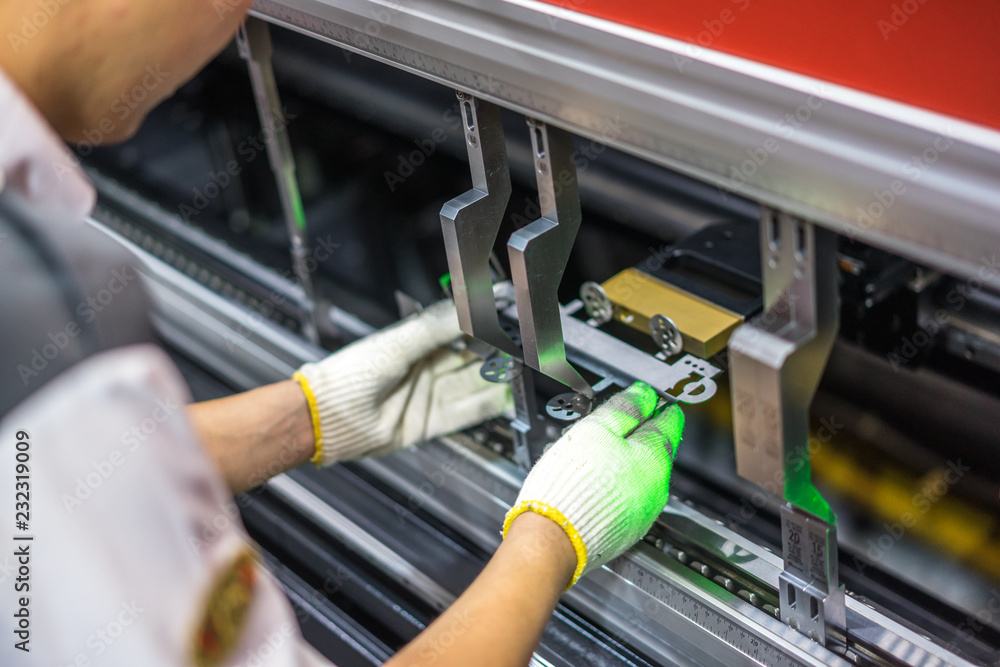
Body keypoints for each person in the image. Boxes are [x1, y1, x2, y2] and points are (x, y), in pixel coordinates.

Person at [0, 2, 684, 666]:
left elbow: (27, 494)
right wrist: (550, 539)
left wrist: (307, 414)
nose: (236, 19)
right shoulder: (47, 319)